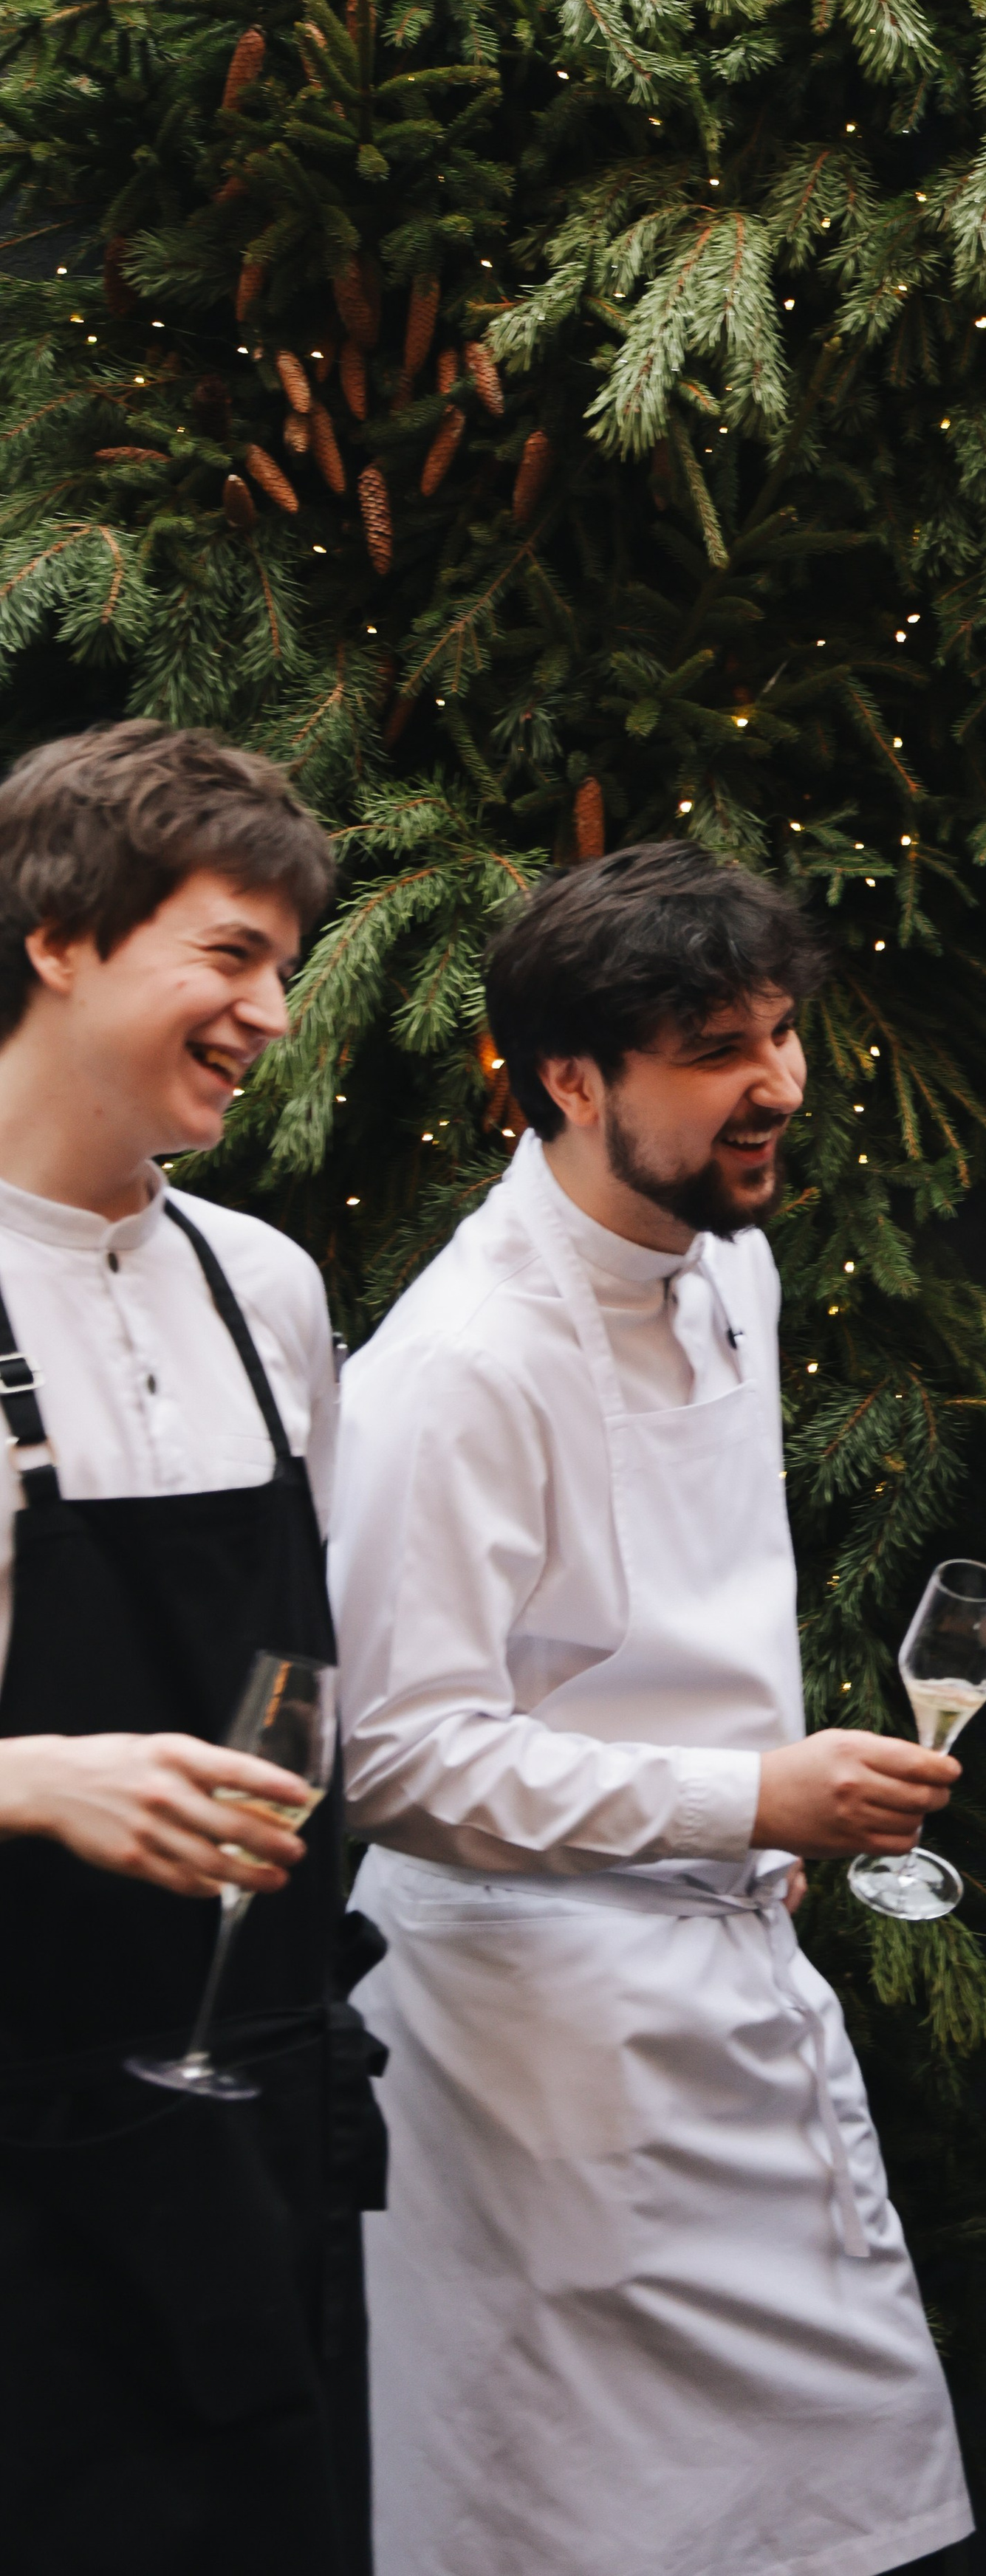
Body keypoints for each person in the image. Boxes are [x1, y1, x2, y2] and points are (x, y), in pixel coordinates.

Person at [332, 840, 974, 2576]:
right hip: (527, 2045)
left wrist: (750, 1814)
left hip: (726, 1973)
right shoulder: (458, 1364)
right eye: (716, 1053)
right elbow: (393, 1754)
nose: (774, 1087)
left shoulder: (733, 1266)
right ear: (569, 1079)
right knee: (583, 2528)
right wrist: (746, 1798)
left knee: (841, 2505)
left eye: (778, 1034)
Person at [0, 721, 383, 2576]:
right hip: (29, 2154)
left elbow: (315, 1670)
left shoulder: (271, 1290)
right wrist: (34, 1777)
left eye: (284, 972)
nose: (274, 1016)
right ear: (60, 932)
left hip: (265, 2123)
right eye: (230, 957)